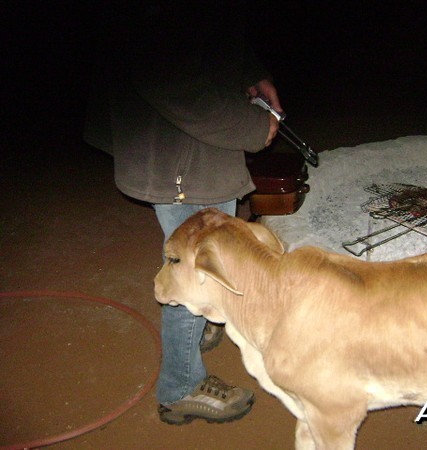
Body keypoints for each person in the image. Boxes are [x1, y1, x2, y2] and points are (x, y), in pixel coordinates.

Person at [84, 2, 281, 424]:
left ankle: (203, 323)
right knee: (190, 276)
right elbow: (166, 71)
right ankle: (180, 387)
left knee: (203, 270)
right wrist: (250, 128)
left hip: (189, 149)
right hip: (181, 157)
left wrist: (252, 73)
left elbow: (208, 36)